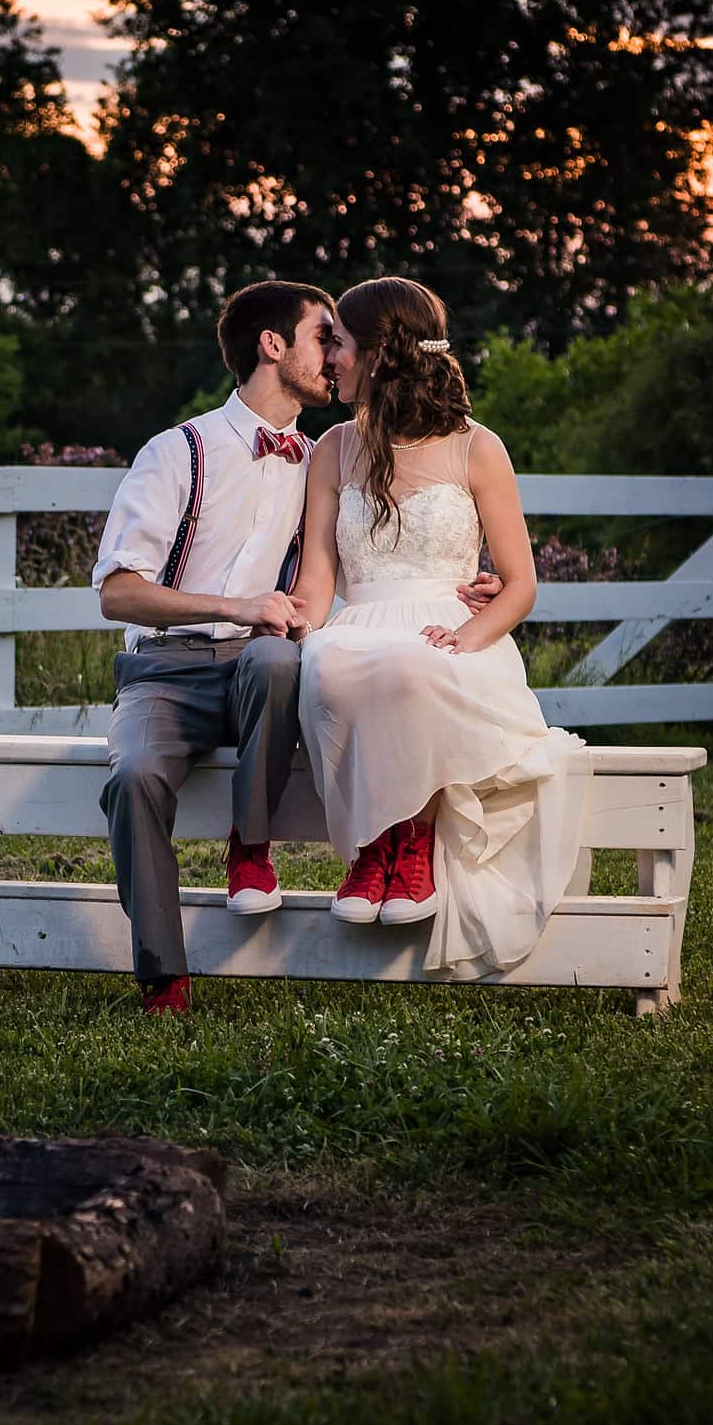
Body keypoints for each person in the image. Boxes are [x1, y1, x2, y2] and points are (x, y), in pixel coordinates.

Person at [92, 280, 500, 1013]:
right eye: (324, 336)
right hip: (168, 667)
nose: (335, 354)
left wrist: (470, 588)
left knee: (281, 656)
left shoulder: (332, 456)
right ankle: (164, 975)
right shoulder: (177, 452)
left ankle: (251, 850)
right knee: (133, 777)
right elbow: (117, 592)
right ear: (272, 346)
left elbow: (354, 572)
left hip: (263, 666)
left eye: (342, 339)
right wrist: (232, 604)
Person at [289, 276, 590, 976]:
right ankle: (371, 845)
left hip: (452, 634)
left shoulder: (476, 447)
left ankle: (411, 842)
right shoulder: (333, 449)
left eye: (339, 341)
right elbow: (316, 580)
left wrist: (469, 638)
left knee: (413, 666)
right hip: (358, 624)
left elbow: (520, 585)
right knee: (331, 666)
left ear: (380, 352)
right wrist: (284, 633)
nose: (329, 355)